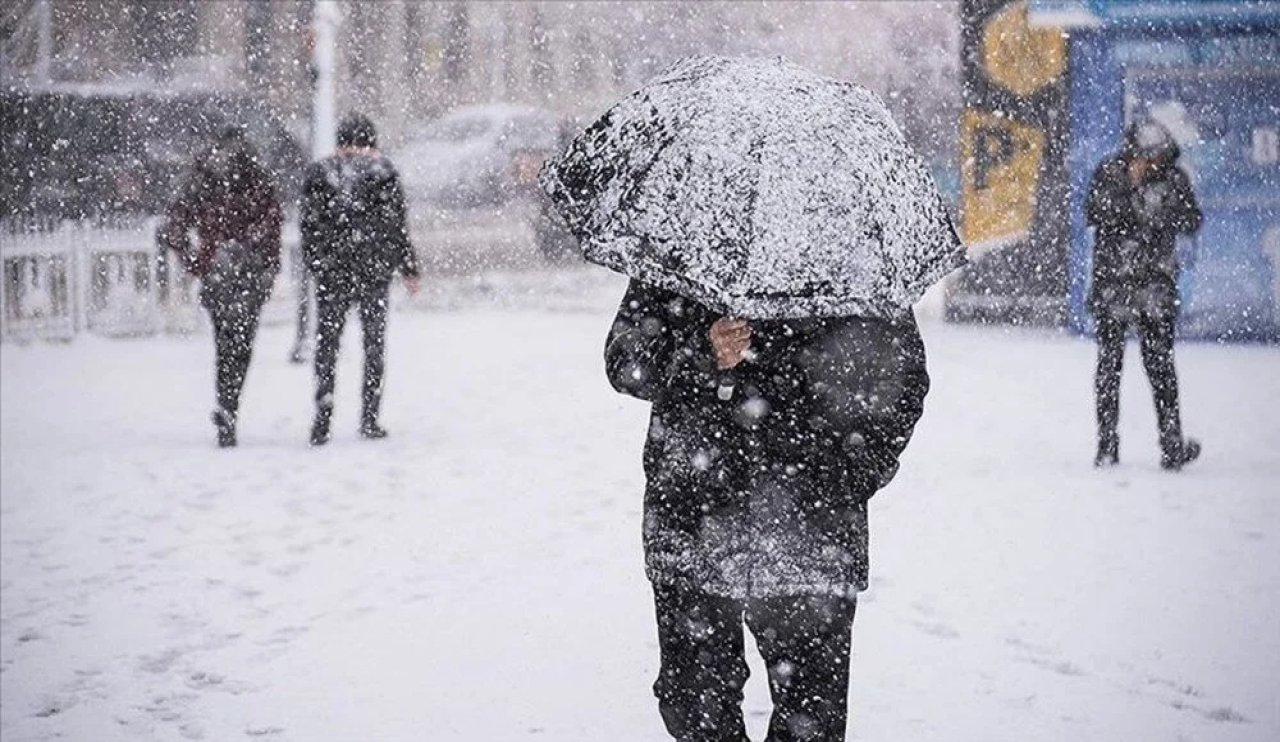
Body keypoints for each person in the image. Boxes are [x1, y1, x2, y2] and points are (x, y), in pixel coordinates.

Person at [605, 280, 930, 741]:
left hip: (812, 534)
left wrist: (850, 475)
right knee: (694, 705)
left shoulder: (848, 255)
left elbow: (902, 379)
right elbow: (625, 361)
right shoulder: (686, 246)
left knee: (811, 721)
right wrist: (701, 349)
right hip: (695, 521)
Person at [1086, 120, 1203, 470]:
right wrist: (1131, 191)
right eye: (1145, 157)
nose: (1151, 164)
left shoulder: (1174, 178)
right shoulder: (1110, 173)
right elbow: (1095, 213)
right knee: (1109, 366)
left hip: (1155, 285)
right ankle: (1107, 445)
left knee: (1161, 367)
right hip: (1114, 285)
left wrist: (1157, 207)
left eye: (1157, 158)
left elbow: (1191, 220)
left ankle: (1171, 446)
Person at [158, 125, 282, 448]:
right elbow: (272, 227)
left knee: (225, 343)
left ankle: (226, 406)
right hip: (247, 271)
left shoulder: (204, 177)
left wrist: (196, 261)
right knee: (241, 345)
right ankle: (230, 405)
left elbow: (175, 224)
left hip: (219, 272)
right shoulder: (256, 179)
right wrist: (268, 267)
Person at [301, 112, 420, 446]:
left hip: (333, 274)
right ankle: (370, 416)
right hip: (373, 273)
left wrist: (319, 265)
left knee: (327, 345)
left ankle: (323, 414)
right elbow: (396, 226)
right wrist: (408, 267)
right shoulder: (383, 173)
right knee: (373, 346)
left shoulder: (320, 173)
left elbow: (309, 226)